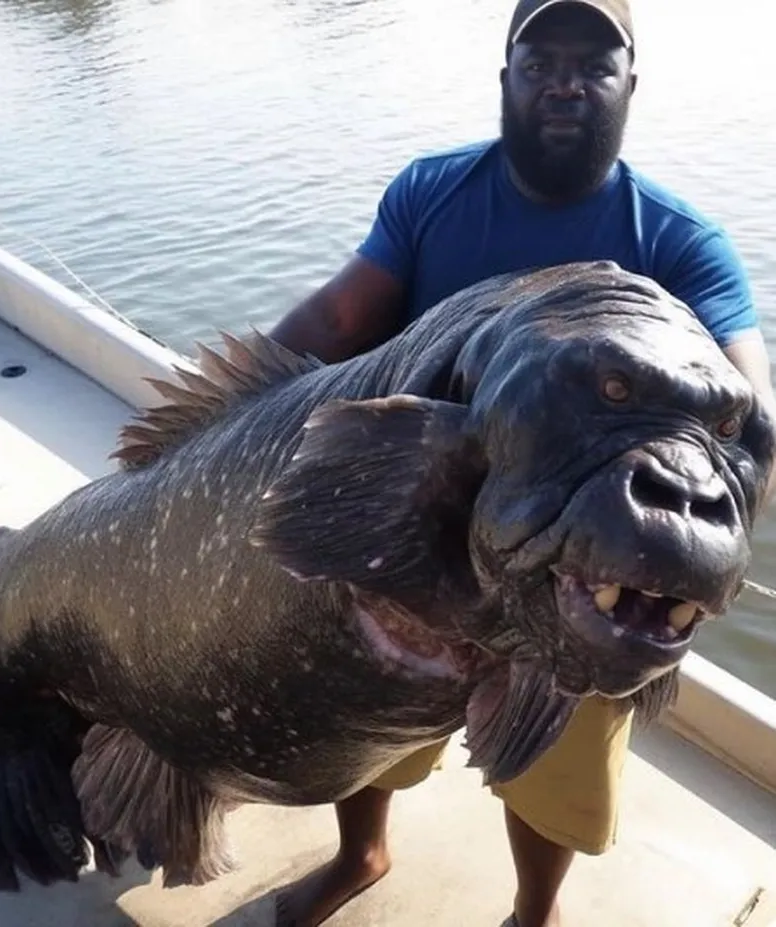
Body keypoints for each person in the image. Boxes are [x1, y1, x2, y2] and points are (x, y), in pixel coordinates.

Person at [266, 0, 776, 925]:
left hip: (582, 567)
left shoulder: (675, 241)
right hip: (418, 538)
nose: (565, 84)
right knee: (369, 726)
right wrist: (224, 419)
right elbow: (338, 323)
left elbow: (748, 406)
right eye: (541, 61)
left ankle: (534, 913)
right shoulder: (433, 192)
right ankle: (363, 851)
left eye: (594, 64)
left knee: (556, 765)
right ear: (506, 78)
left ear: (630, 87)